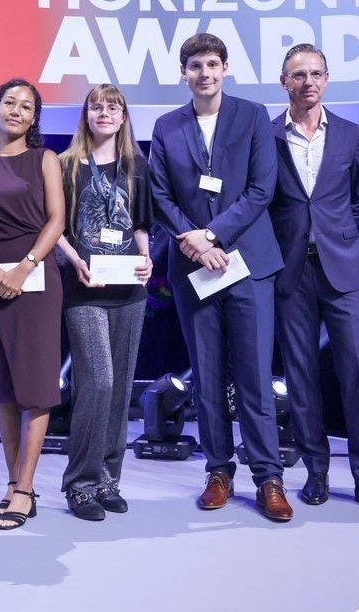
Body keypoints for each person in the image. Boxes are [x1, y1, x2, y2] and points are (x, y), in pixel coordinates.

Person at [149, 33, 292, 521]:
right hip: (194, 269)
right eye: (195, 66)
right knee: (207, 377)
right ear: (183, 73)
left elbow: (262, 189)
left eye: (212, 64)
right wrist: (194, 241)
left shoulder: (252, 116)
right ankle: (217, 471)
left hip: (247, 264)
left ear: (225, 69)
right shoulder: (167, 126)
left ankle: (268, 476)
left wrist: (212, 235)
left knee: (254, 376)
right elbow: (160, 196)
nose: (204, 73)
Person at [270, 44, 359, 515]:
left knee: (357, 372)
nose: (308, 81)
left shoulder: (350, 133)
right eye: (298, 75)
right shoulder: (267, 135)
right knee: (301, 376)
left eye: (316, 73)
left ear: (327, 79)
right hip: (290, 270)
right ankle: (316, 472)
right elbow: (263, 200)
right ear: (284, 82)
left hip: (343, 268)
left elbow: (358, 198)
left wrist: (333, 235)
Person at [0, 78, 65, 530]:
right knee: (4, 386)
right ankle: (12, 482)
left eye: (26, 106)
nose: (16, 111)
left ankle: (25, 488)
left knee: (36, 386)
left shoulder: (45, 159)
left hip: (36, 277)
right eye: (9, 102)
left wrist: (24, 267)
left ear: (34, 118)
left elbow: (56, 220)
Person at [54, 84, 153, 521]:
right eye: (97, 107)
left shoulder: (137, 165)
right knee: (98, 383)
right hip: (85, 287)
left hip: (129, 290)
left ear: (124, 116)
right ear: (86, 115)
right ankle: (80, 484)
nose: (105, 113)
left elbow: (141, 224)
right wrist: (74, 261)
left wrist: (147, 257)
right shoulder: (66, 164)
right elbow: (55, 227)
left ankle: (109, 479)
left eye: (113, 107)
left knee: (121, 388)